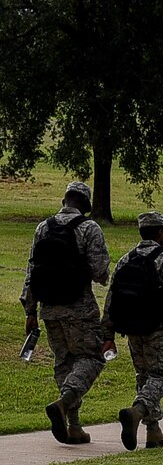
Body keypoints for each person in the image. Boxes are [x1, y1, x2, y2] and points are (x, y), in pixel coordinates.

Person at [20, 181, 112, 445]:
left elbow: (31, 271)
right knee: (94, 357)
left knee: (64, 363)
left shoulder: (43, 227)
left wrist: (30, 311)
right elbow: (100, 272)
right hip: (79, 307)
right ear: (85, 205)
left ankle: (74, 425)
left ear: (64, 201)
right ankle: (65, 402)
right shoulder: (88, 228)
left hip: (49, 310)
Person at [103, 211, 163, 451]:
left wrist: (107, 333)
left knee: (144, 377)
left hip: (132, 328)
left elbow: (111, 299)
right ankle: (137, 411)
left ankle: (153, 431)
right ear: (161, 233)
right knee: (162, 376)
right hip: (159, 328)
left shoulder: (126, 259)